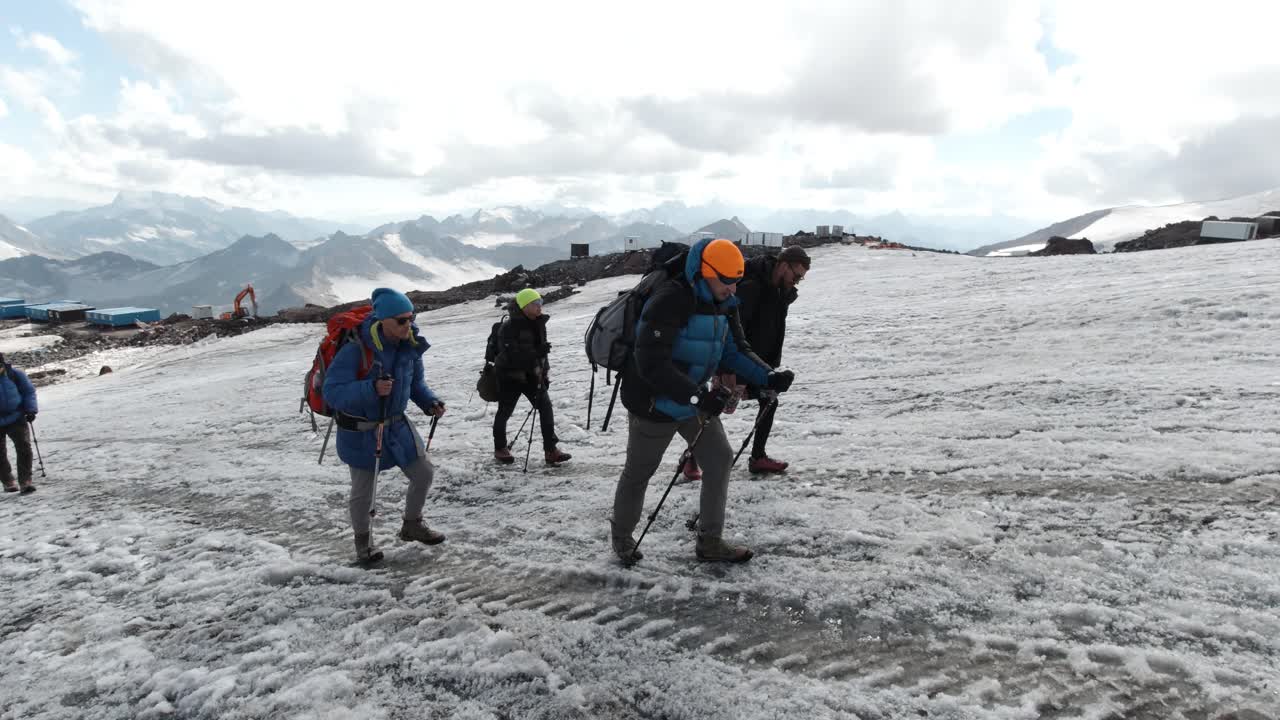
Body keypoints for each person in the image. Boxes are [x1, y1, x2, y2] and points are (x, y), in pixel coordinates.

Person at [609, 238, 795, 563]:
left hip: (694, 399)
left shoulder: (725, 302)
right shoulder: (670, 299)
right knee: (639, 472)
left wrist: (768, 376)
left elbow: (735, 350)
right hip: (653, 403)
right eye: (726, 281)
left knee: (719, 458)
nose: (733, 288)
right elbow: (651, 361)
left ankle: (710, 541)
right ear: (705, 272)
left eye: (736, 281)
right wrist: (697, 395)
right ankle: (622, 538)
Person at [323, 288, 447, 564]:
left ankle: (412, 524)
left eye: (411, 318)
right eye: (401, 320)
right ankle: (363, 543)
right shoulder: (356, 350)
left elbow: (415, 384)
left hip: (396, 425)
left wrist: (429, 402)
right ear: (383, 321)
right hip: (361, 430)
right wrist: (371, 388)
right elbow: (332, 391)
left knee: (423, 473)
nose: (408, 325)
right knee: (363, 492)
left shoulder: (409, 345)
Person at [732, 244, 809, 473]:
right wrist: (732, 371)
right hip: (738, 362)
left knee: (769, 401)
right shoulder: (752, 287)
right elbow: (736, 331)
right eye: (796, 275)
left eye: (801, 278)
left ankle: (758, 458)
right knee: (714, 408)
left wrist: (772, 367)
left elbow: (772, 329)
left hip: (763, 363)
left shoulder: (780, 292)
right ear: (783, 265)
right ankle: (691, 458)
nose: (797, 282)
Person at [488, 288, 571, 465]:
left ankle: (551, 450)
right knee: (505, 411)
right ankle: (500, 448)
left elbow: (543, 353)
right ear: (524, 306)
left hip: (532, 375)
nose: (539, 307)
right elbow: (512, 356)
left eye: (540, 302)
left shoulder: (539, 323)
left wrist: (544, 372)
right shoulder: (508, 327)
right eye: (535, 304)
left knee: (546, 408)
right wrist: (537, 353)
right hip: (510, 375)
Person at [0, 353, 38, 494]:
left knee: (24, 447)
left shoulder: (15, 374)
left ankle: (25, 481)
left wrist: (30, 409)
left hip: (16, 416)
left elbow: (28, 392)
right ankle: (7, 481)